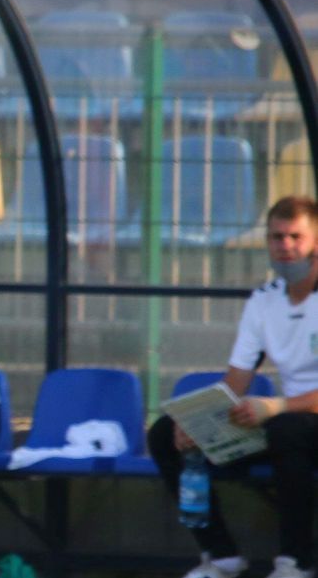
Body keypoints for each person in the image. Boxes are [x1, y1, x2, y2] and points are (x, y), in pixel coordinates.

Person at [148, 195, 318, 578]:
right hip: (286, 422)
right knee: (166, 435)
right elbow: (236, 380)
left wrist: (276, 407)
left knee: (286, 429)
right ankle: (221, 557)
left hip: (297, 423)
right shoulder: (263, 301)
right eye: (277, 237)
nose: (286, 246)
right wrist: (198, 421)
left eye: (296, 236)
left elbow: (283, 412)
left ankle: (296, 561)